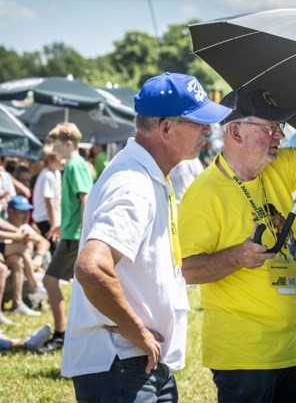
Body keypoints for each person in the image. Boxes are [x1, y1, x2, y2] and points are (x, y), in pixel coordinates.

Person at [179, 73, 296, 403]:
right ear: (236, 131)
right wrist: (237, 257)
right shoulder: (204, 193)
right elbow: (188, 269)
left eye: (281, 127)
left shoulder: (280, 166)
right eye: (271, 127)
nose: (281, 134)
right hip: (246, 357)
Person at [60, 72, 231, 403]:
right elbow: (91, 268)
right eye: (198, 122)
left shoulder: (145, 175)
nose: (208, 131)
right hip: (119, 365)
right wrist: (136, 331)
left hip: (135, 364)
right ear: (166, 128)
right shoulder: (133, 184)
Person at [42, 122, 94, 352]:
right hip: (72, 233)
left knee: (49, 281)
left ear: (68, 143)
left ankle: (61, 334)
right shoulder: (75, 164)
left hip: (76, 237)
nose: (53, 149)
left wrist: (84, 235)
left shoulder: (74, 165)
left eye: (56, 144)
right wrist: (62, 224)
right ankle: (72, 334)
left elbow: (85, 199)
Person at [3, 195, 50, 314]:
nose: (26, 215)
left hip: (29, 270)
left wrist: (37, 258)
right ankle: (34, 290)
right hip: (10, 273)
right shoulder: (5, 227)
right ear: (11, 212)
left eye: (27, 211)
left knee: (46, 256)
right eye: (22, 212)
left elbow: (44, 242)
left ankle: (34, 299)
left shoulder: (25, 227)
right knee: (16, 259)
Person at [31, 148, 62, 246]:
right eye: (59, 160)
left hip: (52, 218)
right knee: (53, 248)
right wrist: (53, 224)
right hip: (45, 219)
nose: (62, 162)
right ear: (50, 162)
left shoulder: (56, 173)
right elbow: (48, 202)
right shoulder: (47, 175)